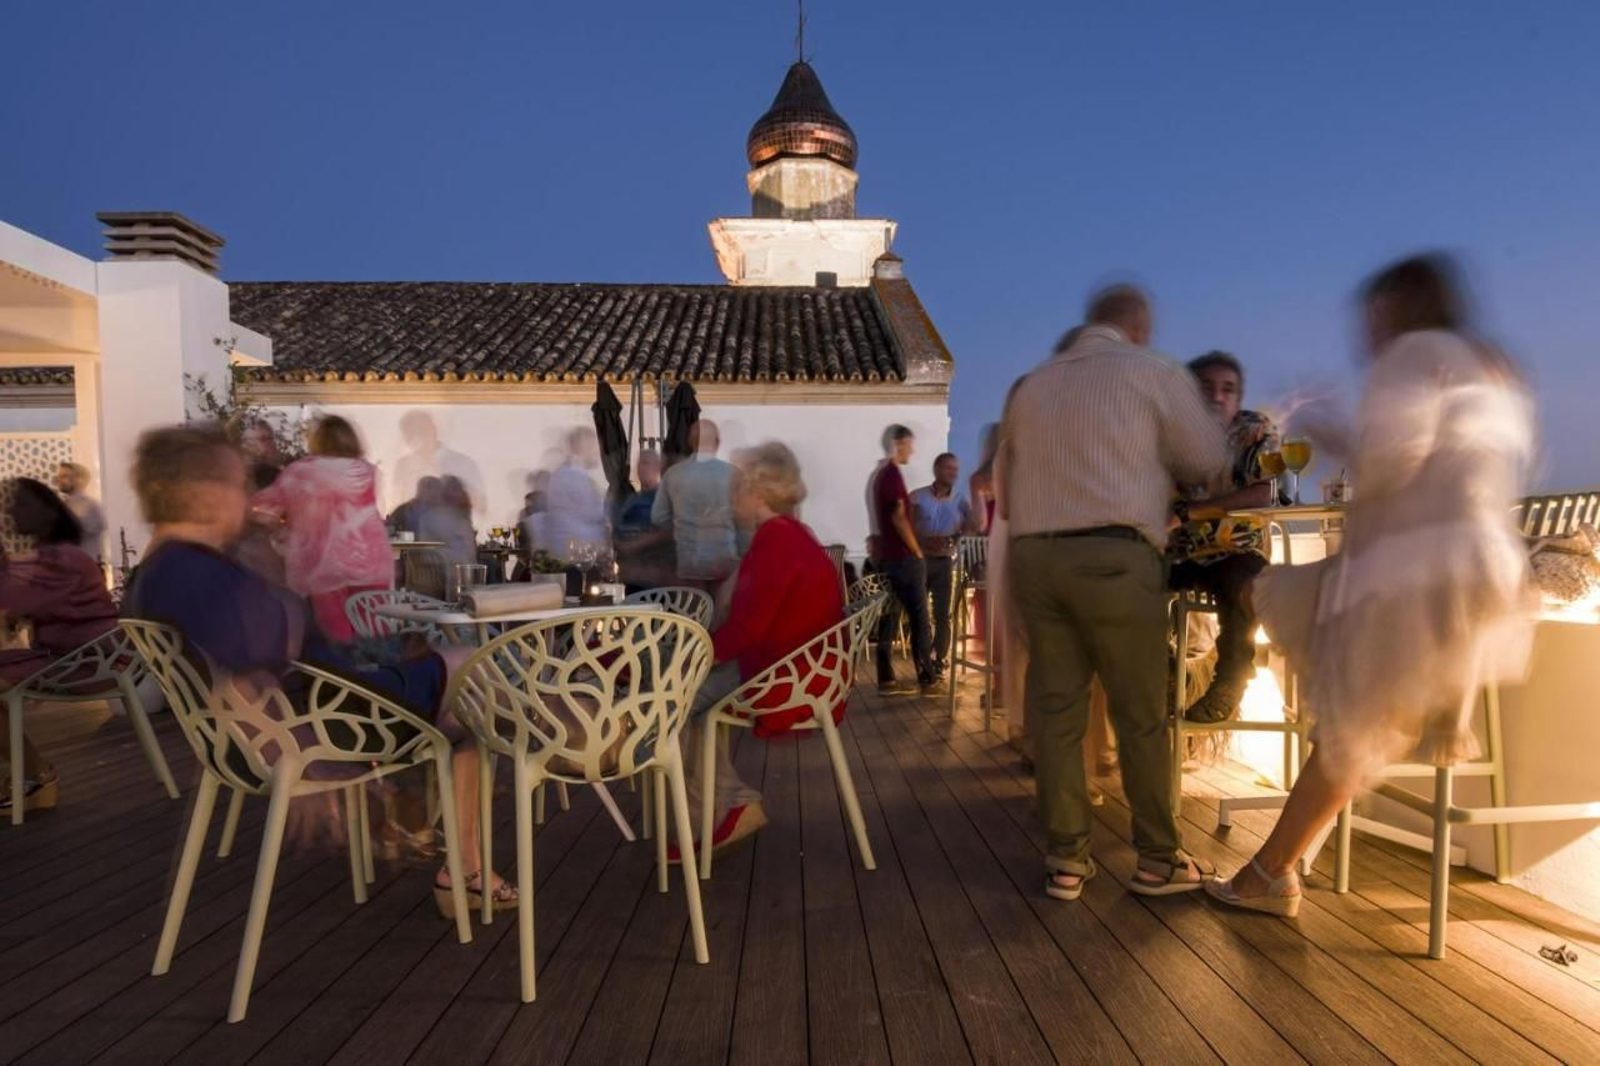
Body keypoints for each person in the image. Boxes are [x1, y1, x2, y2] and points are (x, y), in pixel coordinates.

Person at [1207, 255, 1536, 916]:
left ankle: (1271, 871)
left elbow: (1391, 460)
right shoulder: (1490, 367)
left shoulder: (1414, 354)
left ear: (1400, 308)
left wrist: (1329, 430)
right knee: (1346, 713)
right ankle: (1278, 867)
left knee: (1326, 685)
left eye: (1374, 315)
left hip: (1414, 577)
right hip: (1484, 577)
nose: (1366, 331)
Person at [121, 424, 514, 912]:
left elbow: (240, 655)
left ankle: (432, 829)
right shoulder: (196, 574)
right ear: (199, 492)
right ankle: (465, 860)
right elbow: (242, 681)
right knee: (475, 683)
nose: (246, 497)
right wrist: (302, 755)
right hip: (324, 721)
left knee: (464, 685)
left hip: (313, 709)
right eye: (235, 483)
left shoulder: (162, 569)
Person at [1001, 285, 1231, 901]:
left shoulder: (1035, 384)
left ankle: (1066, 860)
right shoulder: (1150, 370)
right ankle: (1158, 858)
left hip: (1036, 556)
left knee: (1056, 714)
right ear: (1137, 325)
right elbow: (1206, 457)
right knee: (1140, 713)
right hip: (1113, 554)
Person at [674, 442, 844, 859]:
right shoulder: (793, 534)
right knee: (690, 692)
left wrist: (690, 658)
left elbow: (747, 630)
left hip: (786, 676)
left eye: (736, 490)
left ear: (757, 492)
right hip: (804, 666)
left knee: (676, 697)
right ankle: (725, 804)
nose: (731, 500)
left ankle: (719, 811)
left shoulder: (775, 542)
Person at [1167, 351, 1283, 722]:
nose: (1218, 396)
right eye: (1206, 388)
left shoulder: (1256, 431)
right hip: (1182, 551)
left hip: (1237, 547)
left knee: (1243, 586)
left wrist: (1191, 511)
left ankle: (1229, 684)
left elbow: (1265, 492)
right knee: (1130, 582)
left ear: (1238, 397)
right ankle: (1167, 674)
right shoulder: (1172, 438)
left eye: (1228, 389)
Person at [0, 479, 119, 814]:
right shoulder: (47, 557)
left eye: (21, 504)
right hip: (66, 656)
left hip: (87, 662)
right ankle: (30, 774)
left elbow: (15, 598)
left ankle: (34, 777)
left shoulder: (63, 557)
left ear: (49, 512)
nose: (11, 511)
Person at [251, 415, 393, 642]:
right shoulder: (366, 472)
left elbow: (260, 507)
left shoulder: (301, 472)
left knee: (338, 640)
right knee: (375, 636)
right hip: (372, 562)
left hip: (325, 564)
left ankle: (343, 676)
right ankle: (378, 675)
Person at [868, 425, 939, 696]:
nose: (913, 449)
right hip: (903, 558)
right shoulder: (892, 475)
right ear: (897, 443)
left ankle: (886, 680)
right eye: (909, 443)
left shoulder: (879, 476)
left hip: (888, 558)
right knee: (920, 618)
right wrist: (917, 551)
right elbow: (899, 516)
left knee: (890, 617)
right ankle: (928, 679)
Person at [652, 420, 740, 592]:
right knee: (722, 615)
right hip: (724, 563)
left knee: (692, 615)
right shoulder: (733, 474)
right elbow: (744, 520)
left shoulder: (673, 474)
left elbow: (658, 517)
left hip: (688, 564)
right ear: (717, 442)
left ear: (691, 442)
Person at [909, 452, 971, 674]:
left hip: (945, 562)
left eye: (956, 469)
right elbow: (906, 525)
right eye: (949, 468)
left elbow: (971, 526)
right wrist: (922, 541)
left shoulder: (961, 500)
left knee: (942, 614)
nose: (953, 473)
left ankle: (939, 658)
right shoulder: (917, 497)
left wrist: (953, 539)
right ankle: (922, 661)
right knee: (920, 614)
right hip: (920, 561)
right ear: (936, 470)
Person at [538, 427, 608, 562]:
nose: (598, 452)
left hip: (579, 553)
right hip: (576, 556)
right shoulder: (571, 477)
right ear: (583, 447)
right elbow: (592, 514)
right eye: (594, 446)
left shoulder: (571, 474)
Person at [615, 449, 675, 590]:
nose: (641, 468)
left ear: (658, 467)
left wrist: (636, 545)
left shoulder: (664, 498)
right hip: (628, 573)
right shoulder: (631, 499)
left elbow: (669, 531)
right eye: (639, 463)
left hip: (651, 576)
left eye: (646, 463)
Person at [419, 475, 476, 570]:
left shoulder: (460, 517)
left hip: (461, 570)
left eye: (457, 489)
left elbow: (469, 552)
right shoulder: (433, 517)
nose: (457, 494)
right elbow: (428, 553)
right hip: (442, 571)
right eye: (453, 489)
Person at [54, 462, 106, 559]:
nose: (59, 480)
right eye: (59, 477)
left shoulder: (91, 506)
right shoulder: (63, 506)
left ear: (78, 480)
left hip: (86, 567)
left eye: (64, 476)